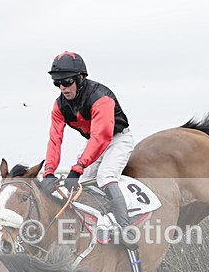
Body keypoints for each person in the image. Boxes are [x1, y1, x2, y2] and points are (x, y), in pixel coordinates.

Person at [39, 51, 138, 247]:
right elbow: (55, 139)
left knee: (105, 177)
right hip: (94, 143)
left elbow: (102, 136)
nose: (62, 87)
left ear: (80, 78)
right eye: (56, 83)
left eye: (66, 82)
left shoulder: (101, 97)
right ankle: (99, 226)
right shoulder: (59, 105)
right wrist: (48, 171)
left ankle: (127, 231)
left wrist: (77, 167)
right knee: (82, 186)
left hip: (117, 139)